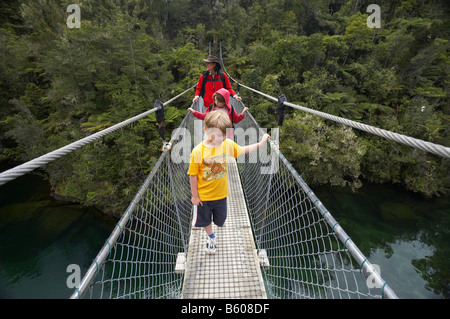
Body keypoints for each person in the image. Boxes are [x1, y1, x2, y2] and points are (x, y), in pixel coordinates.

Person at [187, 111, 270, 254]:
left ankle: (213, 231)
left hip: (221, 194)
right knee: (205, 220)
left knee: (221, 219)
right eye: (218, 135)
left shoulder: (227, 144)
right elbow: (193, 175)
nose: (221, 138)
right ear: (206, 130)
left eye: (225, 135)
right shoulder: (197, 151)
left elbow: (243, 150)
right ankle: (211, 237)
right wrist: (195, 196)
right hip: (204, 197)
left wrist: (261, 143)